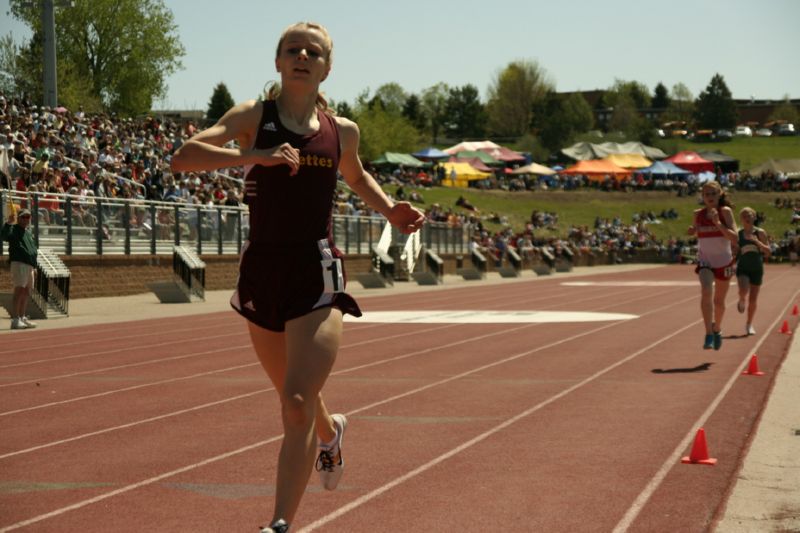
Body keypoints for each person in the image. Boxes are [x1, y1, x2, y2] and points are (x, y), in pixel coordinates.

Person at [170, 21, 424, 533]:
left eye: (314, 51)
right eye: (293, 49)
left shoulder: (341, 130)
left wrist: (388, 211)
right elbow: (183, 158)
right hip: (262, 269)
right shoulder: (253, 117)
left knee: (296, 402)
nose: (303, 55)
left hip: (316, 269)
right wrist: (253, 155)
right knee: (295, 397)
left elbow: (354, 175)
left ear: (327, 67)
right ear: (279, 62)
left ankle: (279, 522)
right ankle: (331, 434)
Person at [687, 181, 738, 350]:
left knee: (719, 302)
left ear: (719, 195)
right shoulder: (698, 214)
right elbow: (695, 230)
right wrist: (692, 231)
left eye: (713, 194)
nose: (709, 197)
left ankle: (717, 329)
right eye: (706, 194)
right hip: (705, 260)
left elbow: (734, 238)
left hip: (724, 262)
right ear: (702, 196)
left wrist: (718, 223)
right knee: (706, 290)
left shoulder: (725, 212)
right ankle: (708, 332)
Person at [735, 207, 771, 336]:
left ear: (754, 217)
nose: (747, 216)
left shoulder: (760, 233)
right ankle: (741, 298)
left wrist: (758, 242)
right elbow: (734, 251)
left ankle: (749, 324)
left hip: (757, 269)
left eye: (749, 214)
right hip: (743, 268)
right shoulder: (738, 234)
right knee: (744, 290)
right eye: (744, 215)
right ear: (741, 219)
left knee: (753, 299)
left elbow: (768, 252)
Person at [1, 209, 38, 330]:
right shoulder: (13, 229)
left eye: (28, 217)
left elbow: (33, 250)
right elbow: (4, 236)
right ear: (19, 218)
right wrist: (8, 223)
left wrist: (34, 265)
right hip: (19, 263)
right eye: (23, 217)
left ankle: (22, 317)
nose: (26, 219)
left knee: (27, 292)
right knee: (19, 290)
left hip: (29, 265)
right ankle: (15, 319)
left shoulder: (27, 232)